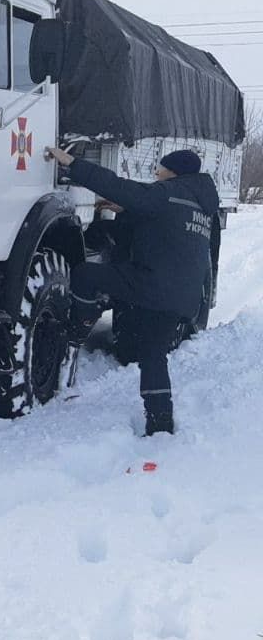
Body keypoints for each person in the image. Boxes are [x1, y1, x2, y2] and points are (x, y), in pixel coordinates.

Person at [47, 146, 221, 437]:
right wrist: (127, 210)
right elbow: (165, 224)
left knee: (85, 275)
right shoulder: (201, 203)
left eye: (161, 168)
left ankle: (77, 329)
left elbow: (116, 186)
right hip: (186, 296)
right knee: (153, 353)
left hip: (152, 285)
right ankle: (160, 422)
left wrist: (73, 163)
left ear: (174, 172)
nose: (156, 173)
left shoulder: (166, 193)